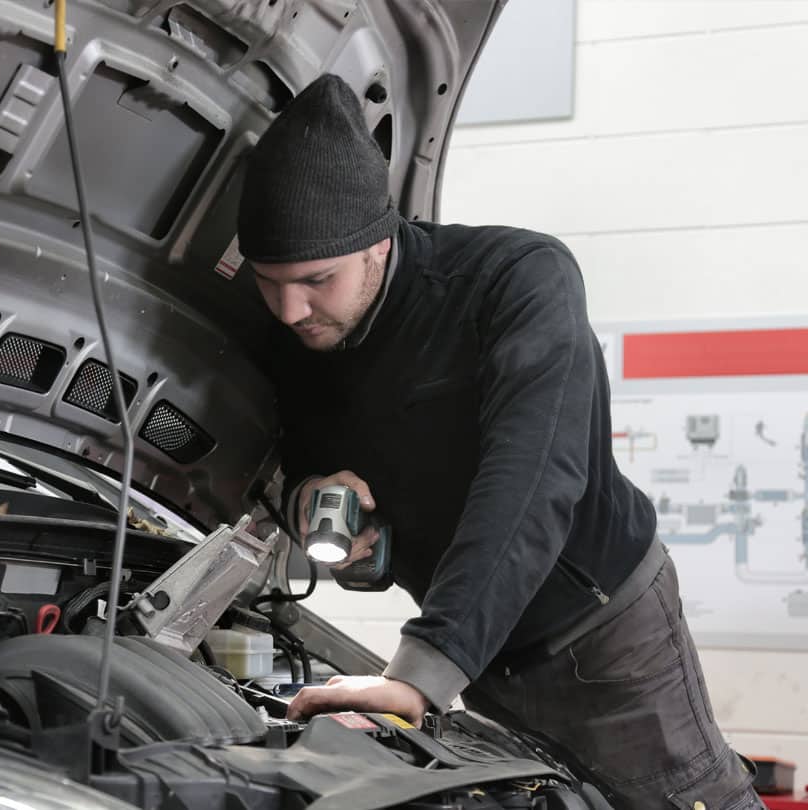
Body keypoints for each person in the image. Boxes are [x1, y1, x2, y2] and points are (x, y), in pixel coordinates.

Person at [236, 73, 761, 810]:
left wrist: (423, 671)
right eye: (268, 282)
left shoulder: (515, 282)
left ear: (380, 246)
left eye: (316, 280)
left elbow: (532, 481)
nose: (290, 310)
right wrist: (312, 507)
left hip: (602, 639)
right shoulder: (296, 332)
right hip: (478, 654)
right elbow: (291, 457)